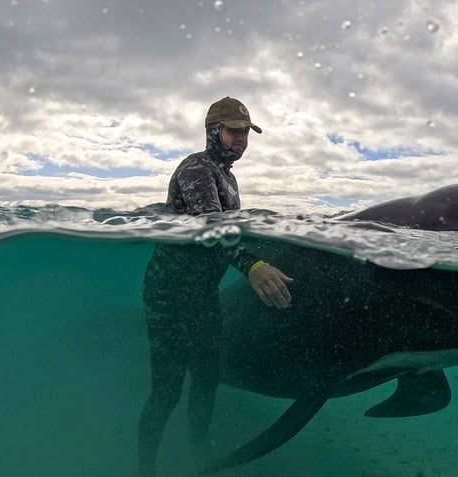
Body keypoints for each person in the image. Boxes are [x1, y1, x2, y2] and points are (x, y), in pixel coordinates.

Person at [137, 97, 294, 477]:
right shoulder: (197, 168)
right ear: (213, 131)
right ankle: (144, 470)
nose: (241, 139)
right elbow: (212, 227)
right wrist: (252, 265)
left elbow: (230, 230)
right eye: (233, 131)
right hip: (170, 296)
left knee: (207, 379)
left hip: (202, 295)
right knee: (167, 391)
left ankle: (197, 455)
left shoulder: (228, 176)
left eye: (245, 132)